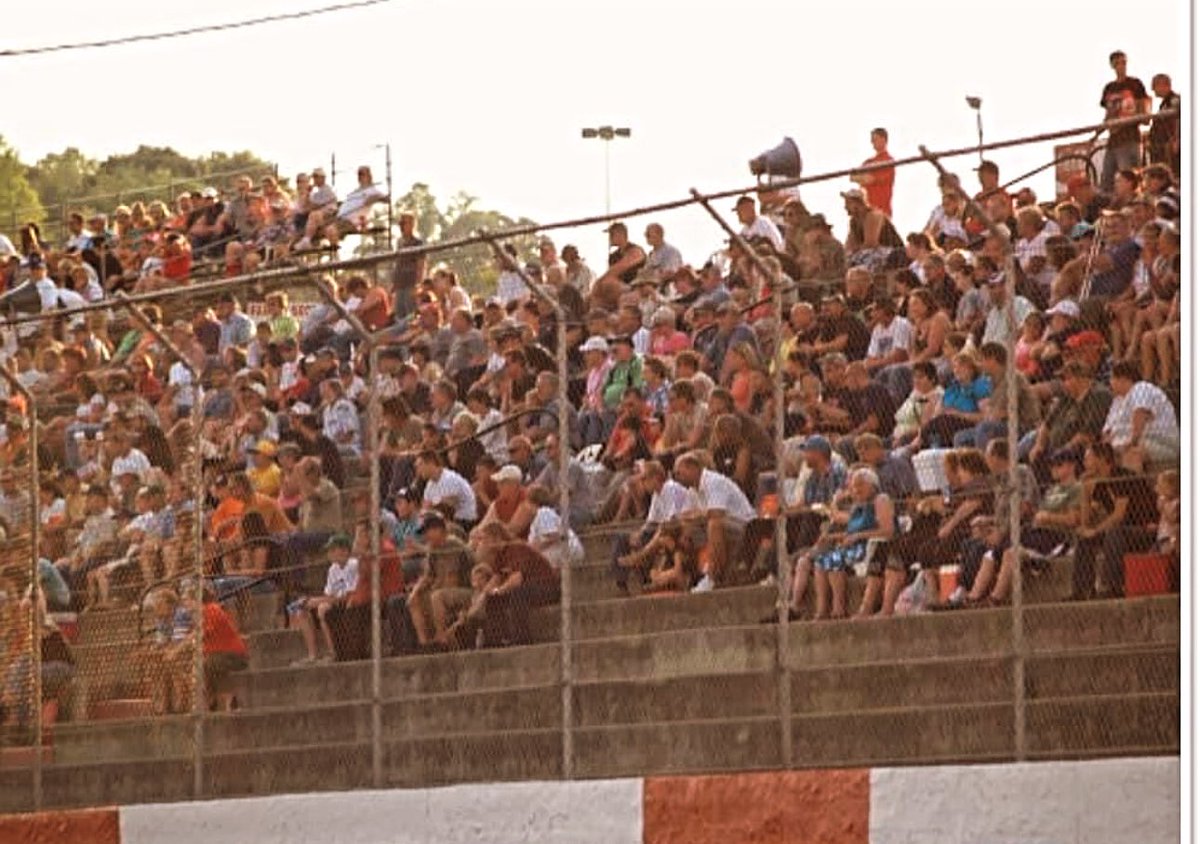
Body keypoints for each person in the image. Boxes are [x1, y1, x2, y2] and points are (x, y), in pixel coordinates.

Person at [804, 468, 896, 620]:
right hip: (852, 546)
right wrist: (831, 537)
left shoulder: (881, 499)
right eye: (854, 486)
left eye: (860, 485)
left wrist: (858, 536)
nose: (856, 489)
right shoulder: (857, 506)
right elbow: (851, 532)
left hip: (869, 547)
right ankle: (822, 610)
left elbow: (887, 530)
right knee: (820, 563)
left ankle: (838, 608)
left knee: (833, 561)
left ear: (872, 485)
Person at [1073, 442, 1158, 600]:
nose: (1084, 464)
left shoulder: (1121, 476)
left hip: (1146, 529)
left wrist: (1096, 531)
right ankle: (1081, 591)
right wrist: (1084, 491)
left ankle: (1112, 586)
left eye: (1088, 459)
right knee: (1083, 538)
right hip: (1124, 531)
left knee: (1114, 532)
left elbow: (1118, 515)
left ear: (1103, 459)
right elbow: (1086, 522)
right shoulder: (1100, 483)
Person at [475, 522, 559, 647]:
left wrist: (498, 590)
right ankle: (495, 641)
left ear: (495, 538)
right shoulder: (499, 557)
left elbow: (516, 579)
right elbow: (496, 579)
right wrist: (482, 597)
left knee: (518, 593)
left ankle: (521, 639)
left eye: (484, 539)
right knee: (493, 600)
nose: (481, 543)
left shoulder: (515, 549)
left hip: (547, 587)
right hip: (528, 589)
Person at [287, 534, 359, 665]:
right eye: (328, 550)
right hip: (334, 603)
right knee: (301, 610)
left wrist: (317, 602)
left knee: (322, 608)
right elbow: (329, 595)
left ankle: (333, 653)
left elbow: (349, 595)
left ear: (344, 550)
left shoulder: (353, 565)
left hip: (350, 604)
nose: (329, 554)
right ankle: (312, 655)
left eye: (332, 550)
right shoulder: (333, 569)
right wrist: (310, 601)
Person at [1098, 51, 1150, 193]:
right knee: (1106, 180)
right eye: (1117, 63)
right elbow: (1108, 114)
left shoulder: (1134, 84)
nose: (1121, 66)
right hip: (1113, 139)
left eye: (1123, 62)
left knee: (1129, 179)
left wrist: (1144, 117)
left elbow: (1144, 107)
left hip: (1130, 137)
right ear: (1112, 66)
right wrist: (1096, 134)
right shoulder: (1109, 88)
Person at [851, 127, 895, 218]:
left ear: (883, 140)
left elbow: (870, 179)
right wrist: (865, 178)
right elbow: (852, 177)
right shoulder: (869, 162)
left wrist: (864, 178)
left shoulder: (888, 161)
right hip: (866, 211)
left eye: (875, 139)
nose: (872, 142)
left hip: (882, 211)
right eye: (872, 140)